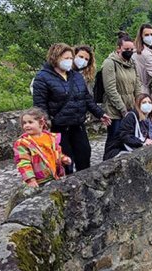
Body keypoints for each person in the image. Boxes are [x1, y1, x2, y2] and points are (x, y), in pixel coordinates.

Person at [32, 42, 109, 174]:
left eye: (70, 58)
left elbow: (86, 98)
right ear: (55, 57)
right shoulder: (42, 78)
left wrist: (100, 113)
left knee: (84, 156)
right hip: (59, 127)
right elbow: (40, 105)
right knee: (65, 161)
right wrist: (45, 124)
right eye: (65, 58)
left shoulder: (76, 76)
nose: (69, 61)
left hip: (78, 125)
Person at [101, 32, 142, 159]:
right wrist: (122, 108)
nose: (129, 52)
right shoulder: (110, 63)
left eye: (131, 49)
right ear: (119, 49)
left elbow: (137, 84)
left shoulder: (132, 63)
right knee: (114, 141)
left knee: (127, 140)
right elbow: (110, 89)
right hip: (115, 111)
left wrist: (138, 104)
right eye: (126, 49)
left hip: (130, 108)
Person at [13, 108, 71, 188]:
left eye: (30, 122)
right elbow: (23, 162)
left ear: (41, 123)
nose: (26, 125)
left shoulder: (51, 137)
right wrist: (30, 179)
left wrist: (63, 158)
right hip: (39, 181)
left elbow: (56, 153)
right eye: (24, 123)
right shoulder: (22, 143)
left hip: (55, 176)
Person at [104, 94, 152, 160]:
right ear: (138, 104)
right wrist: (142, 141)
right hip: (118, 151)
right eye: (144, 102)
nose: (147, 104)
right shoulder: (131, 116)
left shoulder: (148, 119)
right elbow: (125, 136)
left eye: (149, 102)